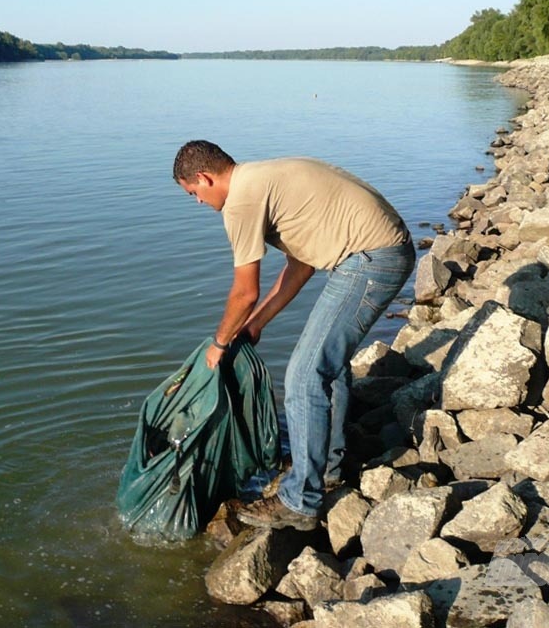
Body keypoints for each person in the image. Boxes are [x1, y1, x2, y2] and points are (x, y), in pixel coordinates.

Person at [172, 140, 415, 531]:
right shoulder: (263, 178)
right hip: (382, 252)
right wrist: (257, 324)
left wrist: (219, 343)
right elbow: (300, 267)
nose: (198, 202)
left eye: (193, 194)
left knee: (303, 378)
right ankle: (327, 467)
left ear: (204, 178)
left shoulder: (240, 202)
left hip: (372, 259)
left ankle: (300, 501)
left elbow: (243, 291)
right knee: (327, 369)